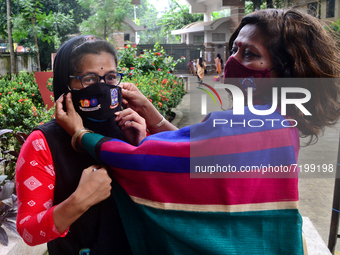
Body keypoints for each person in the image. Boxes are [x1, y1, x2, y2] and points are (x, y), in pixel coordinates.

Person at [56, 9, 340, 255]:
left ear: (286, 71)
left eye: (250, 55)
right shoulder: (280, 122)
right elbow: (193, 146)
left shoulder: (244, 127)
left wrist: (82, 135)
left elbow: (146, 161)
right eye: (234, 49)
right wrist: (151, 111)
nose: (233, 62)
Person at [15, 35, 147, 254]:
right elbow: (29, 231)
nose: (103, 87)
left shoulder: (131, 126)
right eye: (89, 79)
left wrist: (141, 150)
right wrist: (78, 201)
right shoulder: (42, 143)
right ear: (65, 84)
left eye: (110, 77)